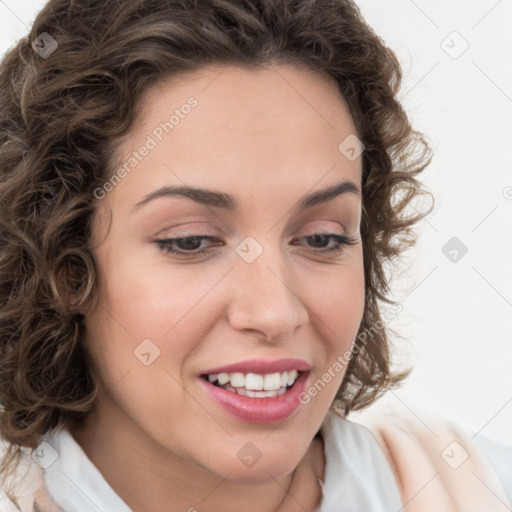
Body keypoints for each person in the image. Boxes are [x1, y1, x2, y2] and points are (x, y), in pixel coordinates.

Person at [0, 1, 510, 511]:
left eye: (322, 238)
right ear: (62, 264)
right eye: (191, 240)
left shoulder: (475, 489)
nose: (275, 312)